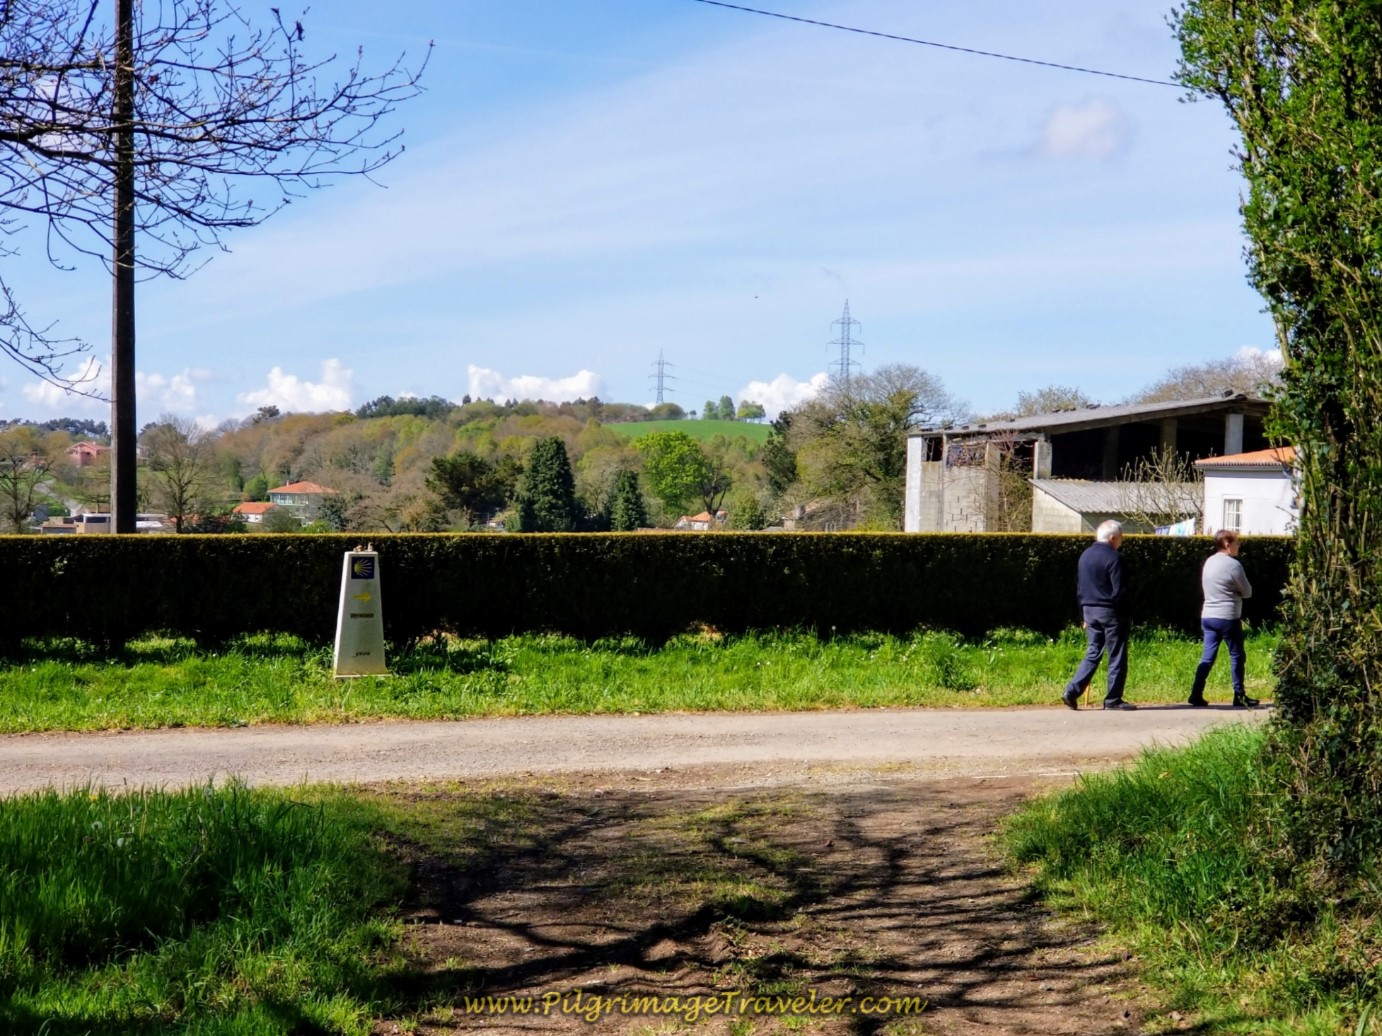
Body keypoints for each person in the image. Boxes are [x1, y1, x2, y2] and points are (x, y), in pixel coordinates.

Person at [1062, 519, 1135, 711]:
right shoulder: (1114, 557)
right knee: (1116, 654)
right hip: (1110, 611)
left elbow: (1080, 588)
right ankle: (1113, 699)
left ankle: (1071, 691)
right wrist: (1125, 614)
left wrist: (1082, 615)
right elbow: (1119, 591)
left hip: (1089, 609)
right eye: (1120, 538)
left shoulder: (1085, 555)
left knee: (1093, 651)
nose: (1120, 541)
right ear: (1112, 538)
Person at [1188, 529, 1258, 708]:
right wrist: (1236, 591)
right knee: (1236, 656)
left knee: (1207, 657)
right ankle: (1239, 695)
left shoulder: (1209, 562)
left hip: (1208, 615)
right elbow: (1248, 591)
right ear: (1227, 544)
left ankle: (1196, 694)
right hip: (1227, 617)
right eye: (1236, 542)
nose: (1239, 545)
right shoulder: (1233, 565)